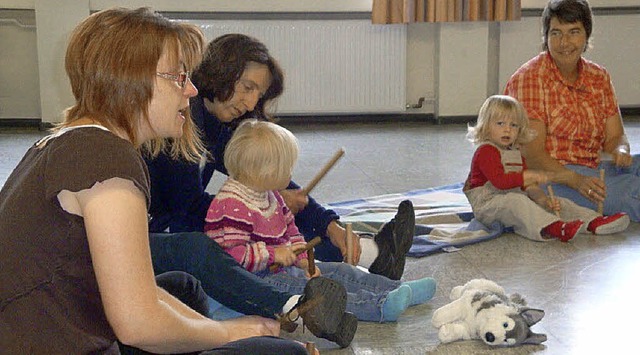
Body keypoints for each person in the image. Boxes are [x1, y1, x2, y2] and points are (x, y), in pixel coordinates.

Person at [0, 7, 345, 354]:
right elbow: (137, 324)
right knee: (285, 352)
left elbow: (138, 296)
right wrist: (230, 333)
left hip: (60, 324)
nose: (192, 90)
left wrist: (225, 329)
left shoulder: (71, 140)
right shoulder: (106, 159)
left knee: (182, 287)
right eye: (179, 77)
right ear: (132, 81)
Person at [145, 33, 413, 279]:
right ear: (221, 72)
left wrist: (331, 225)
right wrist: (259, 204)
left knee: (274, 210)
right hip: (163, 234)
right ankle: (371, 255)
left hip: (183, 223)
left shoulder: (213, 122)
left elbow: (265, 176)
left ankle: (371, 252)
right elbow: (186, 209)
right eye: (247, 87)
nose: (251, 104)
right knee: (263, 221)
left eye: (257, 95)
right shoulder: (181, 121)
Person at [204, 119, 437, 335]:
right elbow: (233, 257)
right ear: (265, 171)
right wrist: (275, 254)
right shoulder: (232, 204)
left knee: (340, 271)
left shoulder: (269, 195)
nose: (291, 173)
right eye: (287, 168)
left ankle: (396, 288)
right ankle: (383, 306)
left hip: (281, 269)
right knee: (322, 291)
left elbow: (291, 231)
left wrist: (303, 259)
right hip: (256, 279)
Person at [504, 0, 640, 222]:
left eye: (573, 32)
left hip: (592, 168)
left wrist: (621, 150)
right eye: (555, 33)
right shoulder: (529, 79)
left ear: (587, 35)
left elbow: (615, 136)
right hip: (550, 177)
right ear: (545, 37)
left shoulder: (599, 77)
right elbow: (533, 155)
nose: (564, 42)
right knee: (632, 192)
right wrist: (576, 180)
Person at [463, 95, 629, 242]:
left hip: (512, 199)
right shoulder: (486, 151)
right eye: (500, 123)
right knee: (517, 201)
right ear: (485, 126)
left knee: (557, 201)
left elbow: (529, 187)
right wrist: (528, 176)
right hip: (488, 206)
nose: (507, 129)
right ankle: (553, 227)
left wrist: (543, 199)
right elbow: (500, 182)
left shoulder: (515, 152)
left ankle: (593, 221)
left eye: (514, 125)